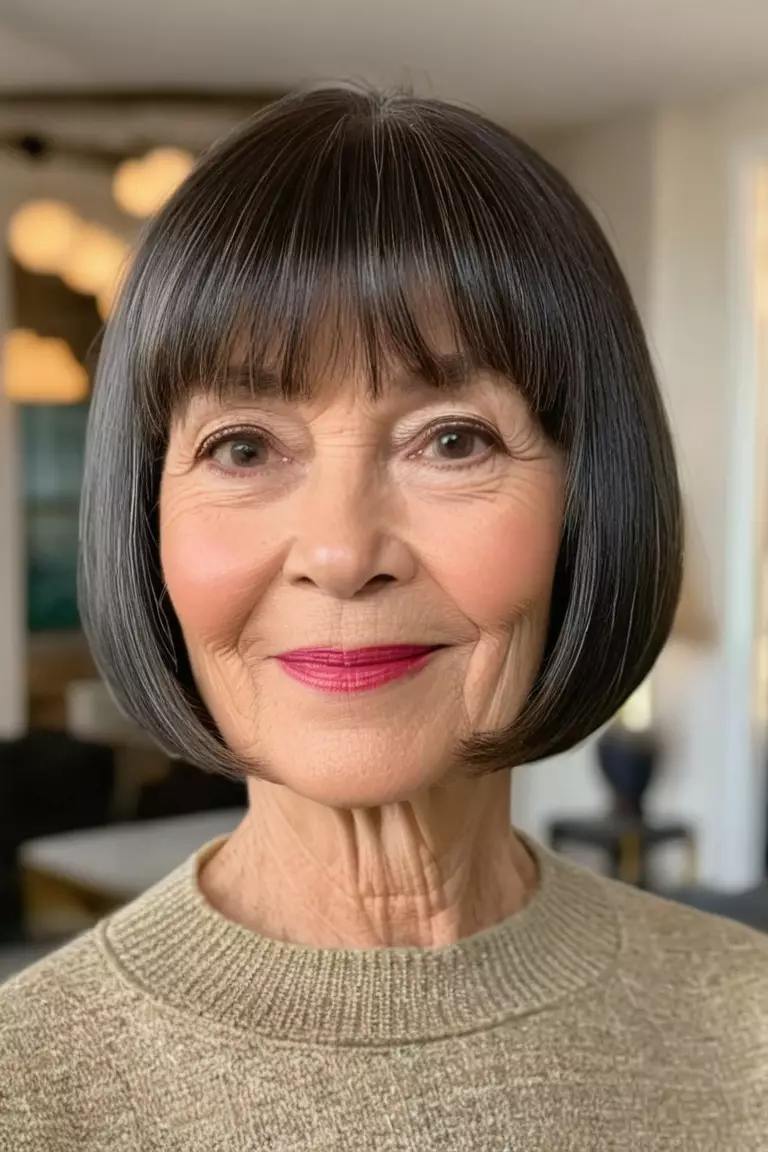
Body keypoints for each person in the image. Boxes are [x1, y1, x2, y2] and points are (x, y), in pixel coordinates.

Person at [1, 84, 766, 1151]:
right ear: (143, 516)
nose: (342, 553)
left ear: (589, 498)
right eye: (243, 448)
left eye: (453, 440)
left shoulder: (749, 1035)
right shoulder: (27, 1092)